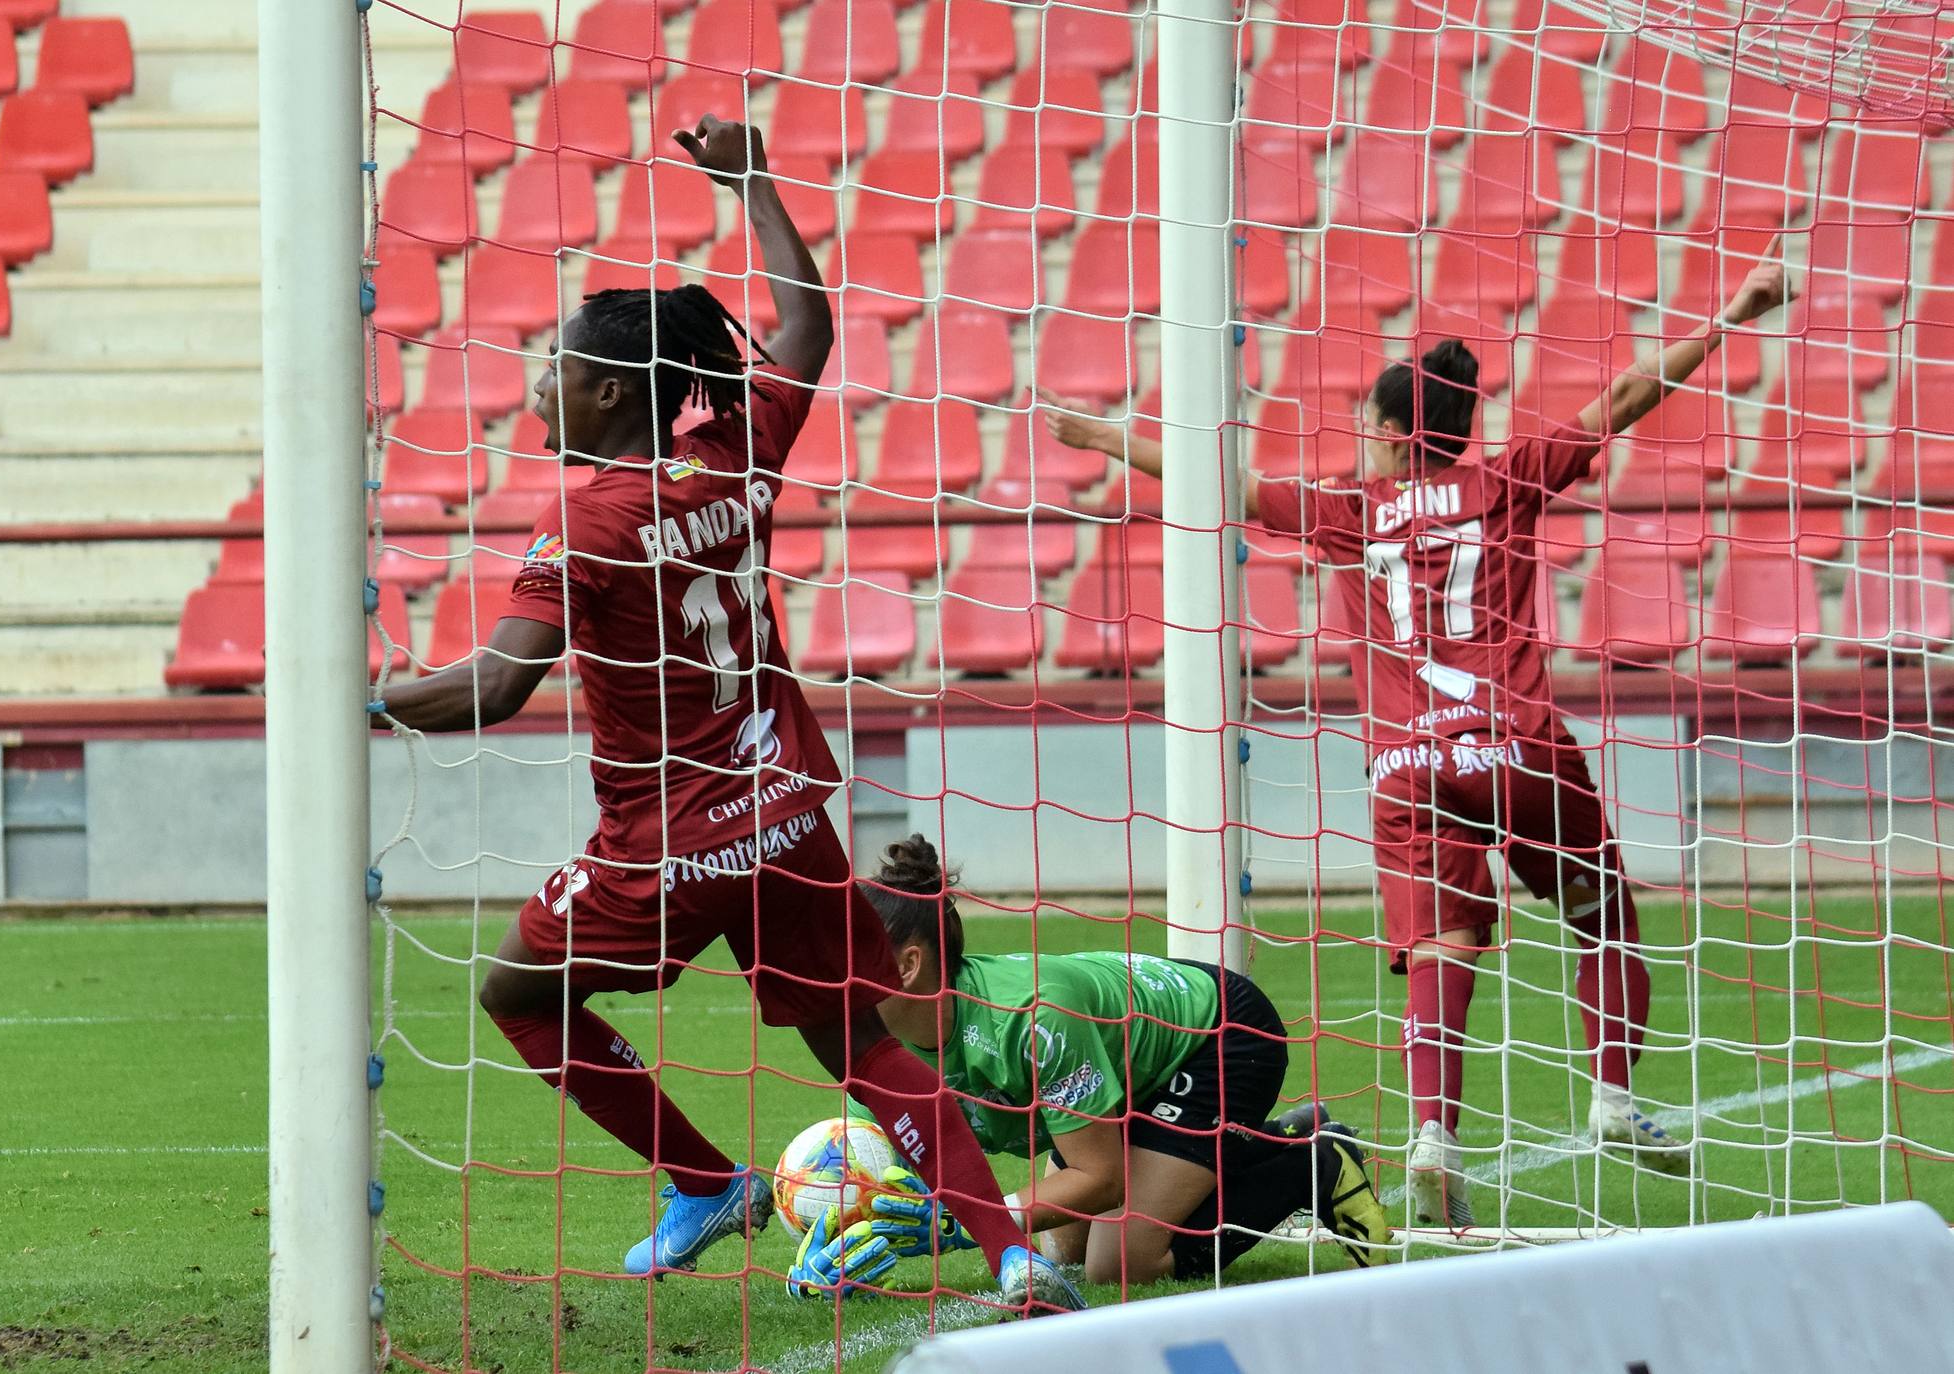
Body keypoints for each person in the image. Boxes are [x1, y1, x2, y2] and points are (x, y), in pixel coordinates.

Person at [369, 116, 1080, 1313]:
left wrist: (354, 705)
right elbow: (805, 327)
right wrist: (753, 182)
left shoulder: (581, 532)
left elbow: (493, 687)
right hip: (790, 815)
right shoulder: (739, 450)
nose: (539, 382)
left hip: (665, 846)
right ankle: (1011, 1254)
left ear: (602, 391)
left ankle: (701, 1182)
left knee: (514, 995)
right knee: (860, 1047)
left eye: (554, 366)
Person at [1042, 244, 1791, 1227]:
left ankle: (1435, 1135)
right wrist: (1734, 308)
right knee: (1600, 914)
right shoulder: (1509, 477)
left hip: (1403, 766)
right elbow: (1620, 400)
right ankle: (1612, 1098)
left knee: (1443, 946)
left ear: (1396, 435)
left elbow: (1216, 482)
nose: (1361, 441)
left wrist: (1102, 434)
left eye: (1366, 428)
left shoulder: (1349, 510)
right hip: (1515, 744)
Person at [831, 834, 1390, 1286]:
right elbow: (904, 1174)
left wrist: (969, 1220)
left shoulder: (1031, 1020)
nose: (828, 974)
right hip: (1129, 1068)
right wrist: (835, 1241)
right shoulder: (882, 1042)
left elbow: (1101, 1181)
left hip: (1218, 1034)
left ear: (907, 965)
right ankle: (1267, 1139)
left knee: (1120, 1263)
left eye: (847, 955)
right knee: (1065, 1249)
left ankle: (1310, 1162)